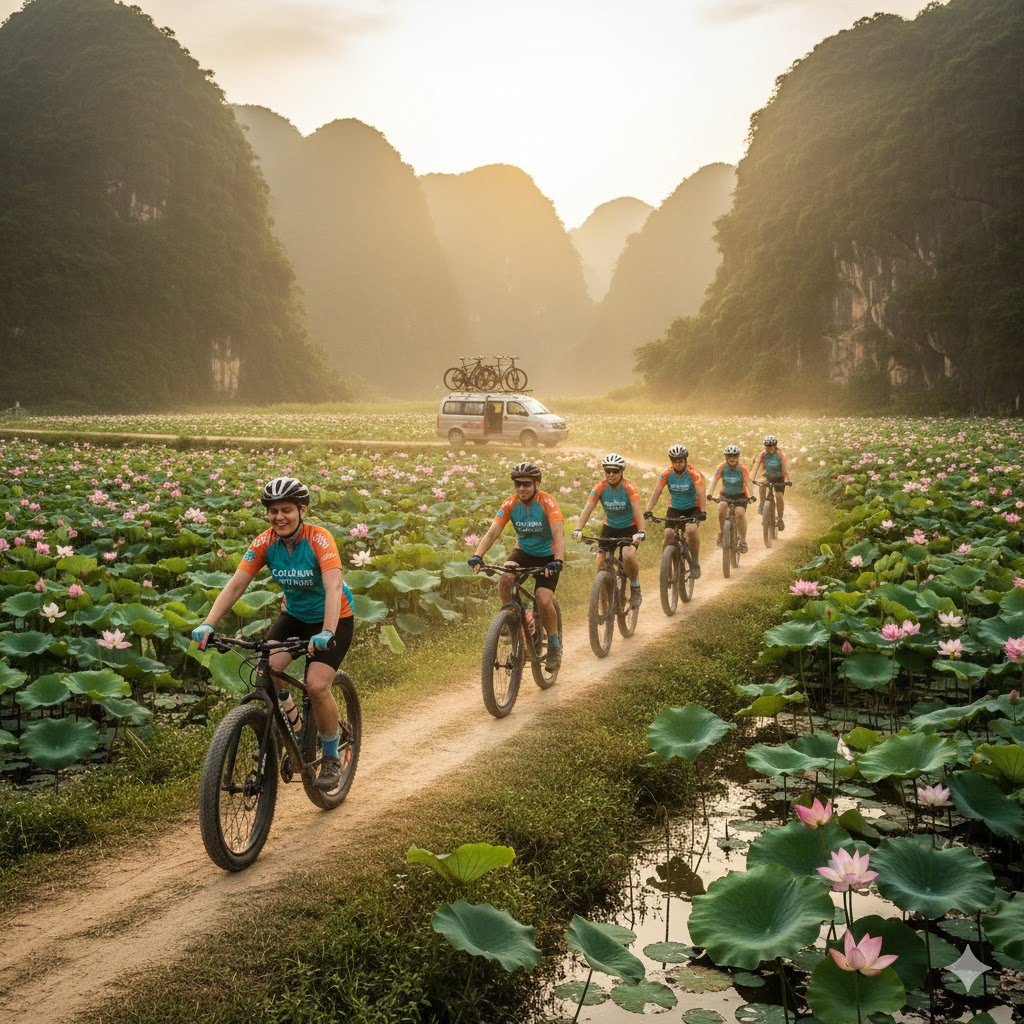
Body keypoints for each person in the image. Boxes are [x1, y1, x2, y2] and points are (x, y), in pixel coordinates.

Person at [191, 477, 355, 790]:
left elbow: (333, 586)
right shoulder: (264, 543)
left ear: (301, 510)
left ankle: (331, 756)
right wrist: (209, 623)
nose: (279, 517)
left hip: (333, 619)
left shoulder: (319, 539)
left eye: (286, 510)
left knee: (317, 685)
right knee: (267, 669)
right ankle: (294, 725)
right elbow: (237, 584)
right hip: (293, 615)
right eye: (273, 511)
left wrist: (327, 631)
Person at [468, 462, 565, 669]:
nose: (521, 488)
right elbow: (493, 531)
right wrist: (478, 555)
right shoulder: (510, 504)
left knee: (542, 598)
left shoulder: (547, 502)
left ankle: (555, 646)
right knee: (505, 578)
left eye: (526, 484)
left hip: (548, 555)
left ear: (537, 484)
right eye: (517, 484)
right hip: (523, 552)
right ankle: (513, 618)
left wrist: (557, 560)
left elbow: (558, 533)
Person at [571, 453, 646, 608]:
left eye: (615, 471)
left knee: (628, 555)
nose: (611, 474)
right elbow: (588, 509)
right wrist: (578, 528)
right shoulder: (599, 487)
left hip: (629, 528)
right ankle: (604, 606)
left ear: (621, 472)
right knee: (600, 563)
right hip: (610, 528)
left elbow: (637, 511)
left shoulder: (629, 487)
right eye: (608, 471)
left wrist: (641, 531)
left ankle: (635, 586)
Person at [642, 444, 706, 579]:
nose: (678, 464)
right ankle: (665, 566)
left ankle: (695, 562)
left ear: (685, 460)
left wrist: (703, 511)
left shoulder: (694, 473)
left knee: (691, 530)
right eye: (675, 461)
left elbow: (701, 491)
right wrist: (648, 510)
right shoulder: (666, 474)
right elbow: (657, 492)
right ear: (671, 462)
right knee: (668, 534)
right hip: (675, 507)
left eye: (681, 461)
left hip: (693, 507)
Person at [708, 444, 753, 554]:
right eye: (729, 456)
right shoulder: (721, 467)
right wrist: (709, 493)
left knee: (740, 513)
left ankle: (743, 541)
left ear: (738, 457)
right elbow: (714, 481)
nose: (732, 459)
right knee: (722, 506)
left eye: (734, 456)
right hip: (725, 494)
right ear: (726, 457)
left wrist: (751, 495)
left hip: (740, 495)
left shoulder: (742, 468)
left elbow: (748, 482)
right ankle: (722, 533)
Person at [751, 434, 792, 530]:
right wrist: (752, 477)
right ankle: (762, 505)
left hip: (779, 477)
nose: (768, 448)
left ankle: (780, 519)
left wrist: (788, 480)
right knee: (761, 484)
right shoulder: (763, 454)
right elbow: (756, 466)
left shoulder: (780, 454)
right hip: (768, 475)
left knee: (779, 496)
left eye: (770, 446)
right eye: (767, 446)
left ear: (775, 446)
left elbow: (784, 469)